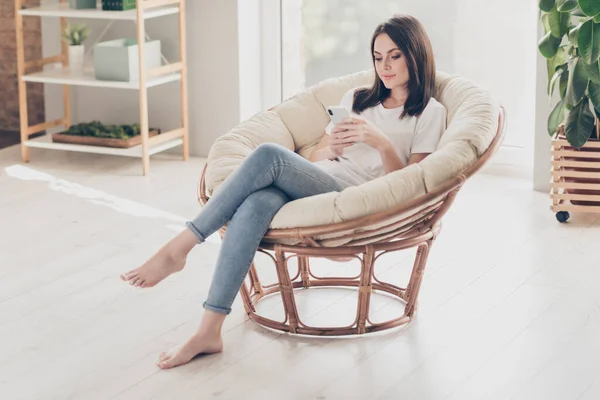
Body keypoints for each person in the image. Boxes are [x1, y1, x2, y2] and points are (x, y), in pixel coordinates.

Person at [120, 14, 447, 370]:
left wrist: (380, 142)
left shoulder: (429, 112)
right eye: (378, 56)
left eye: (395, 55)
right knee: (258, 202)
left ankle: (180, 246)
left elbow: (412, 185)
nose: (384, 66)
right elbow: (318, 156)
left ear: (415, 54)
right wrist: (333, 147)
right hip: (322, 179)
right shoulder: (357, 97)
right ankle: (209, 330)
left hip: (356, 198)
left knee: (268, 155)